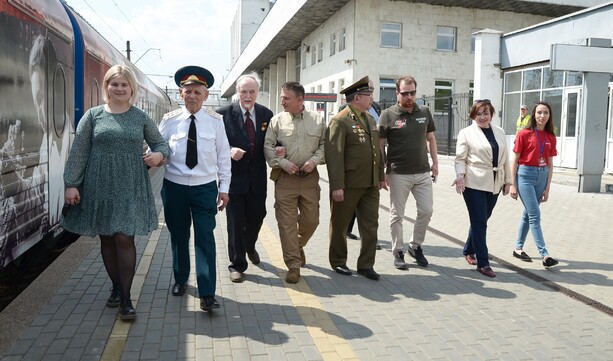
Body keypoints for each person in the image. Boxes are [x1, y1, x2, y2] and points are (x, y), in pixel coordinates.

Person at [61, 65, 169, 320]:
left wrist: (159, 155)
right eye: (114, 84)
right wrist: (71, 183)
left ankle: (126, 298)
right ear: (106, 87)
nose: (119, 89)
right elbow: (79, 151)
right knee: (107, 238)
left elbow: (161, 143)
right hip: (99, 184)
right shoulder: (93, 116)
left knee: (124, 237)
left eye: (124, 85)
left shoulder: (140, 117)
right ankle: (117, 286)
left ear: (131, 88)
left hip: (131, 184)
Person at [158, 66, 231, 311]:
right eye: (187, 91)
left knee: (205, 238)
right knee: (179, 236)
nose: (192, 96)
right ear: (180, 93)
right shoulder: (169, 122)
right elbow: (158, 149)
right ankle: (180, 279)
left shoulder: (215, 122)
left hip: (204, 188)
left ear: (206, 95)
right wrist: (153, 156)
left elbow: (223, 157)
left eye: (197, 92)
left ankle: (207, 293)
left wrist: (225, 188)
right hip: (175, 187)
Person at [263, 81, 325, 284]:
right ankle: (293, 265)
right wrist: (282, 162)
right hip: (285, 181)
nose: (282, 101)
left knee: (311, 221)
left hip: (309, 180)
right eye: (281, 97)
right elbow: (268, 147)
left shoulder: (317, 120)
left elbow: (324, 146)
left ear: (300, 99)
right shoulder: (277, 121)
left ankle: (297, 247)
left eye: (286, 98)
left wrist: (314, 161)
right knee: (286, 224)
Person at [325, 76, 386, 281]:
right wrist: (337, 186)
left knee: (370, 225)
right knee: (340, 224)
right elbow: (334, 155)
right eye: (368, 95)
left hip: (370, 183)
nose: (372, 99)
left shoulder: (369, 118)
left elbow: (377, 150)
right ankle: (338, 261)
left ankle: (366, 264)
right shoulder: (340, 120)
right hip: (348, 184)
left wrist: (380, 176)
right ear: (357, 97)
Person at [216, 72, 273, 283]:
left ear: (257, 93)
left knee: (259, 215)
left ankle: (250, 245)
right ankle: (237, 264)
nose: (247, 96)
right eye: (243, 92)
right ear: (237, 93)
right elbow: (212, 144)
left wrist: (281, 149)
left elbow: (273, 142)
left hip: (257, 179)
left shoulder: (267, 114)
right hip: (233, 179)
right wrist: (229, 150)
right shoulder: (222, 114)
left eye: (251, 92)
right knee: (235, 223)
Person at [378, 76, 438, 270]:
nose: (409, 97)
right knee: (397, 215)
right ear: (397, 93)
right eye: (405, 93)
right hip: (398, 173)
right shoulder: (388, 115)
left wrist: (435, 163)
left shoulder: (425, 112)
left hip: (422, 171)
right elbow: (380, 145)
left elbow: (431, 138)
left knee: (426, 210)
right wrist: (383, 170)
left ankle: (415, 245)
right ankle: (398, 251)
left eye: (412, 92)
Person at [452, 99, 512, 278]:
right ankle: (483, 263)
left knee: (482, 219)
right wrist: (460, 176)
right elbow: (460, 158)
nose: (482, 117)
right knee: (479, 221)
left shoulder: (499, 132)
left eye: (486, 113)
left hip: (495, 182)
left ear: (491, 114)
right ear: (473, 115)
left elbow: (505, 158)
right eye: (478, 113)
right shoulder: (466, 133)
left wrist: (508, 181)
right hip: (474, 183)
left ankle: (469, 249)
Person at [510, 101, 559, 268]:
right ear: (533, 114)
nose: (542, 116)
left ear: (549, 116)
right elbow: (515, 161)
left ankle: (518, 248)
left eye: (545, 113)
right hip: (525, 175)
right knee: (535, 215)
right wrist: (513, 185)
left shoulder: (550, 137)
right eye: (539, 112)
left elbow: (551, 164)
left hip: (542, 176)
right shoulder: (524, 134)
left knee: (528, 214)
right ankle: (544, 255)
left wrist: (547, 188)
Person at [339, 79, 381, 241]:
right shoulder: (344, 112)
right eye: (368, 90)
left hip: (371, 168)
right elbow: (337, 150)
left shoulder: (374, 108)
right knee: (348, 211)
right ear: (357, 96)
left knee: (368, 216)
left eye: (371, 89)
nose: (371, 93)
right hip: (352, 172)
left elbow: (377, 137)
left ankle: (368, 243)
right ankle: (345, 233)